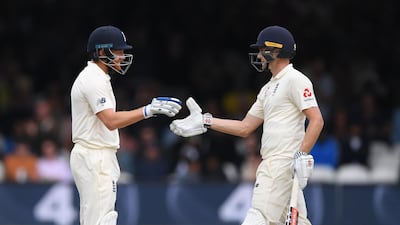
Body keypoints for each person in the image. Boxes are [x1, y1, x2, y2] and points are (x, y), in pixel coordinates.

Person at [170, 25, 324, 225]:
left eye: (262, 50)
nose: (259, 55)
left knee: (257, 218)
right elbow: (245, 127)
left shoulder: (296, 80)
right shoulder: (267, 89)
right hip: (274, 164)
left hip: (281, 164)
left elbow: (317, 120)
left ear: (275, 50)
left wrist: (301, 155)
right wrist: (206, 121)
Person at [70, 25, 182, 225]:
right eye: (118, 51)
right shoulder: (93, 79)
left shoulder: (99, 77)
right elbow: (111, 121)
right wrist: (148, 110)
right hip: (94, 155)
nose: (122, 56)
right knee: (101, 220)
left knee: (98, 219)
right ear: (102, 52)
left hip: (96, 155)